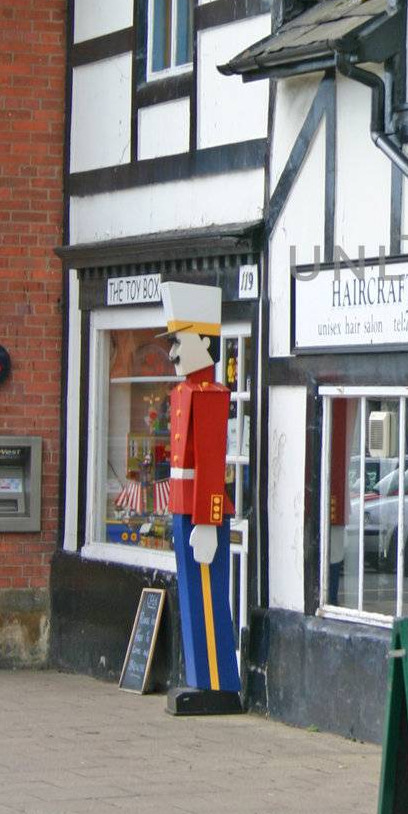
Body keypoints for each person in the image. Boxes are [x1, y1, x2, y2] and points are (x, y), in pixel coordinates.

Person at [161, 281, 240, 701]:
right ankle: (200, 676)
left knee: (207, 596)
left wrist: (208, 521)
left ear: (205, 343)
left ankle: (217, 682)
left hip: (201, 510)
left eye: (180, 342)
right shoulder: (183, 392)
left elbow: (210, 463)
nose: (172, 354)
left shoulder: (210, 396)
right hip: (183, 506)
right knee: (193, 594)